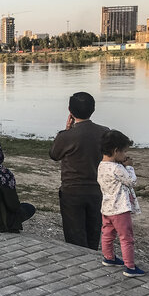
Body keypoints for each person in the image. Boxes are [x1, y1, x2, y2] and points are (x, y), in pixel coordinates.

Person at [50, 92, 109, 250]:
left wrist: (66, 131)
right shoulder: (104, 132)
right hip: (97, 190)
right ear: (93, 109)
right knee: (93, 235)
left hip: (72, 191)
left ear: (70, 111)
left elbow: (54, 155)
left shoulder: (66, 136)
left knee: (75, 237)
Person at [98, 130, 145, 277]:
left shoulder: (101, 165)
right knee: (126, 238)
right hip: (120, 209)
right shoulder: (117, 168)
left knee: (107, 234)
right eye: (124, 152)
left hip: (107, 208)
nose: (125, 156)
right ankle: (130, 267)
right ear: (116, 150)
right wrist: (129, 166)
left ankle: (109, 258)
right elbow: (131, 181)